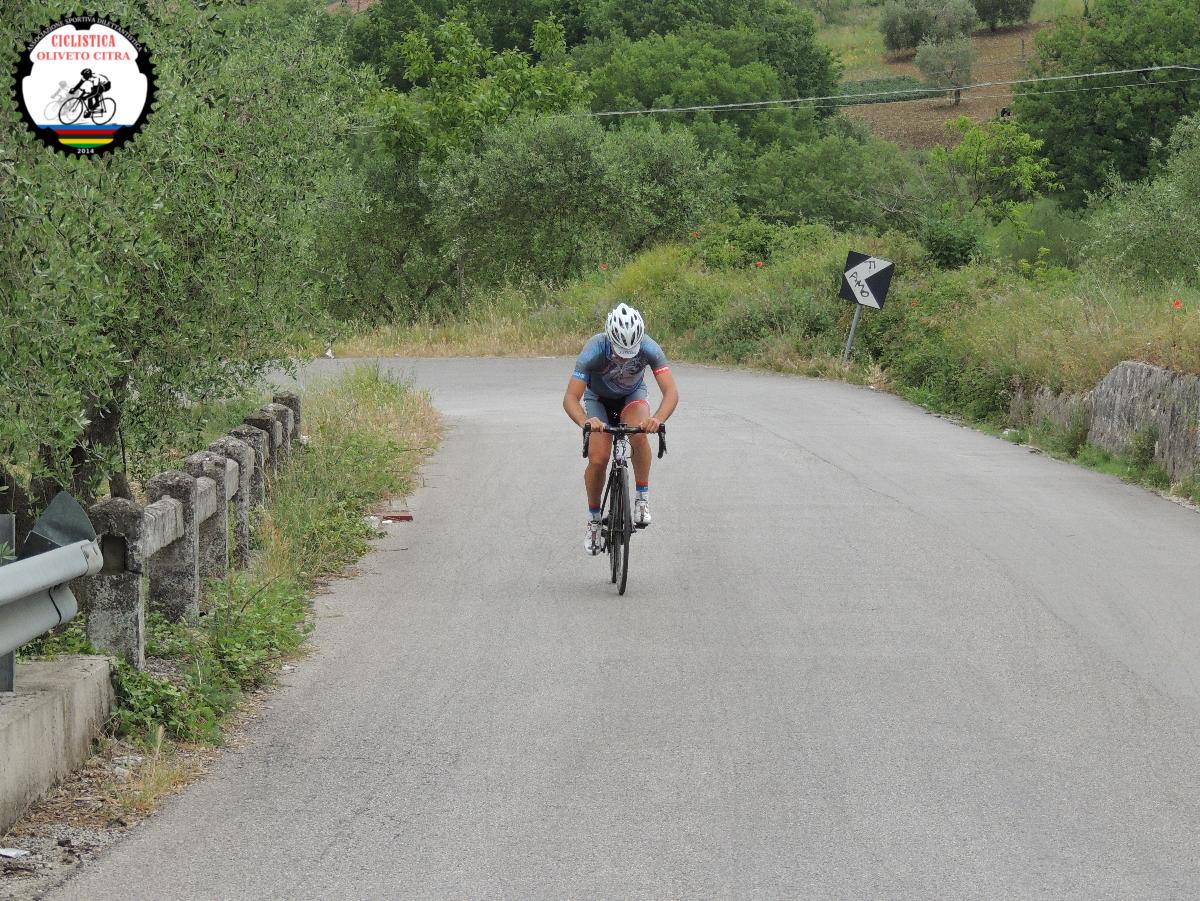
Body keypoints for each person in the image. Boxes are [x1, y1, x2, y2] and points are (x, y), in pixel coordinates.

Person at [563, 303, 679, 555]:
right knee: (598, 459)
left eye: (630, 352)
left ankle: (642, 498)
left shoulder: (649, 348)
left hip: (631, 397)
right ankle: (594, 520)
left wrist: (657, 418)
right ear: (610, 338)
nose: (625, 358)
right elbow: (570, 398)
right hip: (598, 400)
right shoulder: (594, 350)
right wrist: (585, 421)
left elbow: (671, 392)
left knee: (639, 433)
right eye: (620, 352)